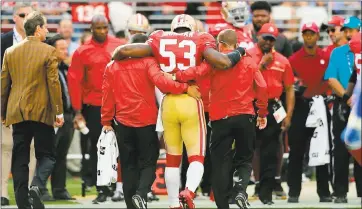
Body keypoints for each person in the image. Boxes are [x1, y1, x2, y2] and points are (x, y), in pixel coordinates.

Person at [112, 14, 247, 209]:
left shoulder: (159, 37)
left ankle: (174, 203)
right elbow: (223, 62)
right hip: (191, 99)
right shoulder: (201, 38)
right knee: (196, 157)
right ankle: (189, 191)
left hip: (168, 102)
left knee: (172, 159)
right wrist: (240, 51)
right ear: (193, 28)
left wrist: (116, 55)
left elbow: (126, 49)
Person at [170, 28, 268, 209]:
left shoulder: (213, 62)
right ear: (236, 45)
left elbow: (196, 73)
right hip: (245, 115)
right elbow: (262, 87)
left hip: (220, 118)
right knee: (244, 159)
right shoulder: (248, 61)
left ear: (219, 44)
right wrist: (262, 113)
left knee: (219, 163)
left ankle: (223, 205)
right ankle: (240, 190)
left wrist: (175, 74)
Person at [102, 33, 199, 209]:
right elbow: (163, 83)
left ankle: (132, 204)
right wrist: (185, 87)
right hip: (146, 120)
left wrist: (106, 120)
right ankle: (141, 194)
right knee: (148, 162)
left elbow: (107, 95)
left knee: (128, 165)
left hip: (122, 122)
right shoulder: (148, 63)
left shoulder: (112, 66)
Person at [1, 11, 64, 209]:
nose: (47, 30)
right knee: (47, 155)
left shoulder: (10, 51)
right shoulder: (48, 51)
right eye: (45, 27)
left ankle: (22, 203)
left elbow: (3, 85)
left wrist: (2, 113)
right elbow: (53, 83)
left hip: (17, 111)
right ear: (37, 30)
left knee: (19, 157)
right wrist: (59, 112)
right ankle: (36, 186)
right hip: (42, 111)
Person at [67, 14, 124, 203]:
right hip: (94, 106)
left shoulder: (118, 45)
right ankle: (102, 188)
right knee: (99, 147)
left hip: (119, 104)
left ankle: (120, 187)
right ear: (91, 28)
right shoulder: (82, 52)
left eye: (105, 27)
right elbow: (75, 82)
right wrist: (77, 110)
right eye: (98, 28)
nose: (102, 31)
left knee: (121, 146)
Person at [248, 23, 295, 205]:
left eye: (271, 39)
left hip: (272, 107)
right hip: (250, 107)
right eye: (265, 37)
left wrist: (289, 115)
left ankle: (266, 193)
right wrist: (261, 65)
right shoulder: (248, 56)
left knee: (270, 150)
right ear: (258, 36)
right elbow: (243, 83)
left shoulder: (283, 61)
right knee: (248, 149)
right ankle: (242, 189)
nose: (268, 42)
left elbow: (290, 89)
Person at [287, 22, 332, 203]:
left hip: (320, 106)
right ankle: (293, 192)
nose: (309, 37)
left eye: (312, 34)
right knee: (296, 151)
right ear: (302, 36)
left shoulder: (325, 57)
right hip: (300, 107)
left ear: (317, 36)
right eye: (305, 34)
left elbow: (330, 81)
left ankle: (324, 192)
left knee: (322, 149)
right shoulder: (293, 59)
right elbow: (289, 85)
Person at [0, 3, 37, 206]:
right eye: (23, 15)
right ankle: (2, 192)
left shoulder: (40, 41)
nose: (26, 19)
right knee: (5, 146)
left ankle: (28, 191)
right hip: (8, 100)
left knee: (31, 147)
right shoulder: (2, 41)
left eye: (30, 16)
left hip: (34, 102)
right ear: (15, 17)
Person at [31, 34, 75, 201]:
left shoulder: (64, 68)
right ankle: (40, 189)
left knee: (62, 154)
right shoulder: (45, 69)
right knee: (47, 154)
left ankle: (59, 189)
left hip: (68, 117)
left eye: (66, 48)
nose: (66, 51)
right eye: (62, 49)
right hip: (52, 117)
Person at [324, 16, 362, 203]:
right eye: (345, 30)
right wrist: (348, 98)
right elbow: (331, 78)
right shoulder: (337, 53)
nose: (348, 34)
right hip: (343, 104)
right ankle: (340, 192)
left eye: (351, 30)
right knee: (339, 148)